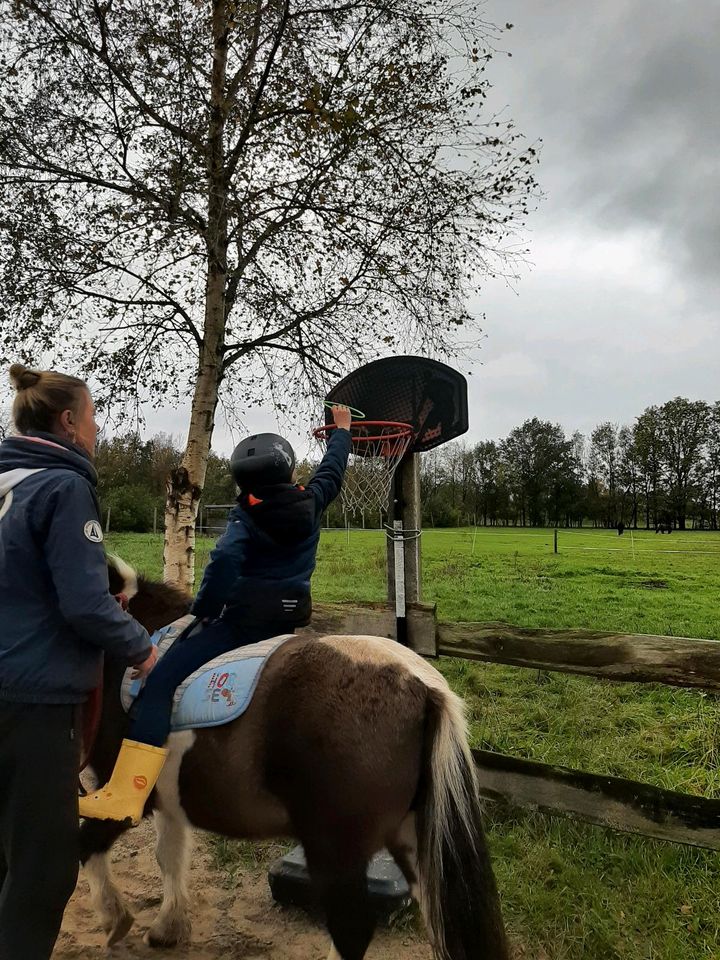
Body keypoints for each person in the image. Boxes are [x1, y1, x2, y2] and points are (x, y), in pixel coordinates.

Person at [80, 404, 353, 824]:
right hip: (289, 619)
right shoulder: (312, 500)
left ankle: (125, 794)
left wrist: (203, 612)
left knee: (160, 679)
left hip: (243, 624)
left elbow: (224, 561)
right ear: (291, 474)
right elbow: (332, 471)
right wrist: (341, 432)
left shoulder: (246, 516)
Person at [0, 364, 157, 960]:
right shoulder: (64, 488)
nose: (97, 430)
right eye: (93, 418)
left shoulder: (7, 484)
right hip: (36, 706)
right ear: (68, 422)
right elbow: (84, 606)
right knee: (40, 871)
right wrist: (140, 646)